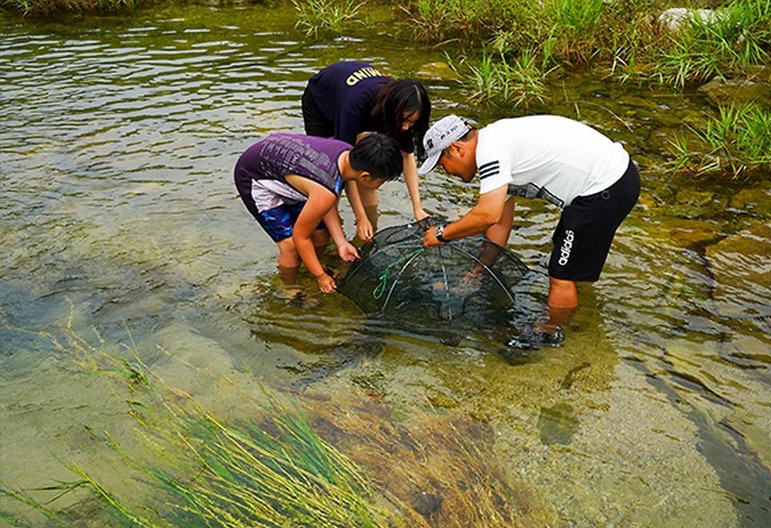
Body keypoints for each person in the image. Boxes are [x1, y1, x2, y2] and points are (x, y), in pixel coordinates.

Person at [418, 114, 640, 350]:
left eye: (442, 164)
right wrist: (478, 270)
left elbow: (487, 214)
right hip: (610, 180)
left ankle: (549, 333)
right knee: (565, 257)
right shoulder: (496, 143)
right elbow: (499, 222)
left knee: (561, 275)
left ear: (457, 148)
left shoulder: (490, 151)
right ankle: (579, 311)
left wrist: (442, 233)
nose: (447, 172)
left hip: (604, 187)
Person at [234, 132, 403, 294]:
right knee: (291, 247)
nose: (381, 185)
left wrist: (341, 242)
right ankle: (290, 287)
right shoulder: (325, 189)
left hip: (286, 168)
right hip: (255, 176)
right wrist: (320, 276)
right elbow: (301, 236)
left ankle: (310, 267)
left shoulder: (346, 153)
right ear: (365, 176)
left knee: (321, 235)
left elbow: (337, 187)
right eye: (382, 181)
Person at [302, 61, 431, 241]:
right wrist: (360, 217)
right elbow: (344, 165)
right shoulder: (354, 107)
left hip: (358, 98)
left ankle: (371, 229)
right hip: (321, 99)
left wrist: (417, 207)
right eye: (404, 121)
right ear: (392, 110)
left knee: (371, 170)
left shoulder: (401, 109)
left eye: (412, 122)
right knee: (332, 178)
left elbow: (407, 155)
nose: (405, 127)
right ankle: (329, 233)